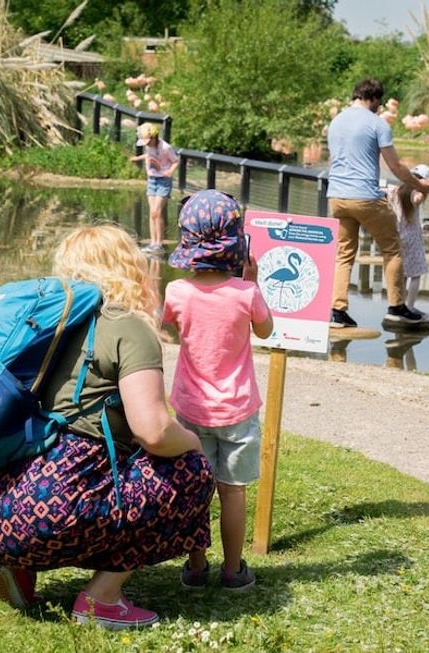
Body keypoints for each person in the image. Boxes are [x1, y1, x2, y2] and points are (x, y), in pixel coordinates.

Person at [0, 224, 213, 630]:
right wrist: (193, 442)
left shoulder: (46, 322)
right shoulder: (127, 327)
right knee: (191, 472)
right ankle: (101, 600)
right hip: (51, 511)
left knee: (90, 481)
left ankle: (17, 563)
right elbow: (155, 432)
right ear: (128, 266)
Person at [162, 189, 274, 591]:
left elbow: (169, 327)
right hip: (238, 411)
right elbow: (266, 330)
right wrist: (252, 282)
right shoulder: (245, 294)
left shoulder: (176, 292)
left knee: (197, 489)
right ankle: (232, 570)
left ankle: (195, 566)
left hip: (192, 410)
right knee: (233, 491)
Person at [326, 78, 429, 328]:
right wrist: (420, 186)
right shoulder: (377, 123)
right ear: (374, 99)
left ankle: (337, 311)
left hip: (337, 197)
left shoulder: (336, 121)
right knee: (392, 249)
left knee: (344, 254)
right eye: (379, 102)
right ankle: (397, 306)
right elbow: (395, 166)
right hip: (365, 197)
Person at [386, 163, 429, 319]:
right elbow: (418, 199)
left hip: (397, 235)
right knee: (416, 273)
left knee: (403, 272)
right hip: (412, 238)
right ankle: (410, 306)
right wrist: (427, 186)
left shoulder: (395, 190)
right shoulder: (415, 192)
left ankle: (398, 304)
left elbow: (382, 191)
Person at [130, 122, 179, 254]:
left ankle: (159, 243)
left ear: (153, 137)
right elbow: (150, 155)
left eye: (147, 141)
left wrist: (170, 172)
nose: (146, 144)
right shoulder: (149, 147)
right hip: (151, 180)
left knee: (157, 211)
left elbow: (175, 161)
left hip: (163, 180)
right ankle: (153, 243)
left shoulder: (165, 147)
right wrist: (138, 158)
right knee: (152, 213)